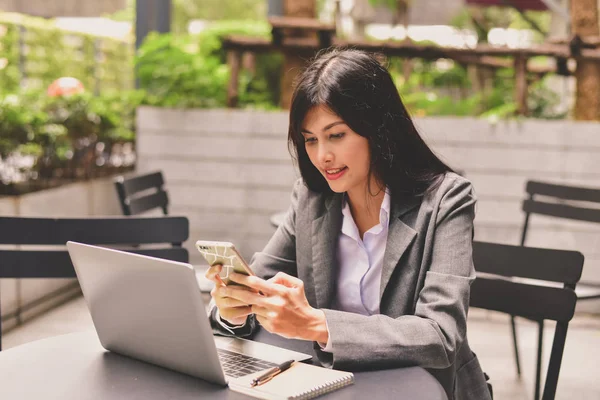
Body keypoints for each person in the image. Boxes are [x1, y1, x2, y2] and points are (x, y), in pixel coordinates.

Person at [206, 49, 492, 400]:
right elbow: (258, 281)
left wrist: (317, 324)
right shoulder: (312, 199)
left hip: (419, 389)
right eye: (310, 139)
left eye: (336, 135)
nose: (322, 155)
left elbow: (440, 335)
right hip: (336, 386)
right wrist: (233, 307)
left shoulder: (447, 200)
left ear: (378, 128)